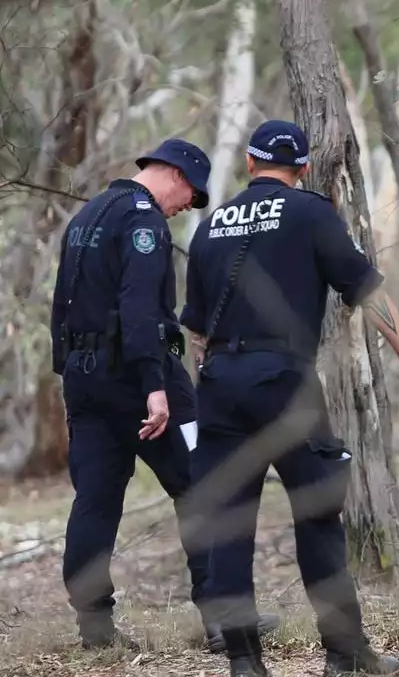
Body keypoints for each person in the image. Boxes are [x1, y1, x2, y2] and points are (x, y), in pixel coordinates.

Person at [181, 119, 399, 677]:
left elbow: (196, 330)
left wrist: (218, 380)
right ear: (300, 170)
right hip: (284, 380)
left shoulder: (209, 227)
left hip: (221, 383)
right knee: (319, 515)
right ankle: (345, 656)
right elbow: (365, 290)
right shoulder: (311, 212)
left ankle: (245, 664)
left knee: (228, 523)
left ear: (250, 164)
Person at [49, 139, 279, 651]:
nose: (184, 207)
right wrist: (155, 387)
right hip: (141, 378)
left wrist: (67, 373)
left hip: (86, 380)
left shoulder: (87, 215)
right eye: (190, 196)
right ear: (175, 174)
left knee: (96, 502)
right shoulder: (143, 222)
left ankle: (96, 630)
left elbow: (61, 302)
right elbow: (139, 311)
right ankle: (223, 620)